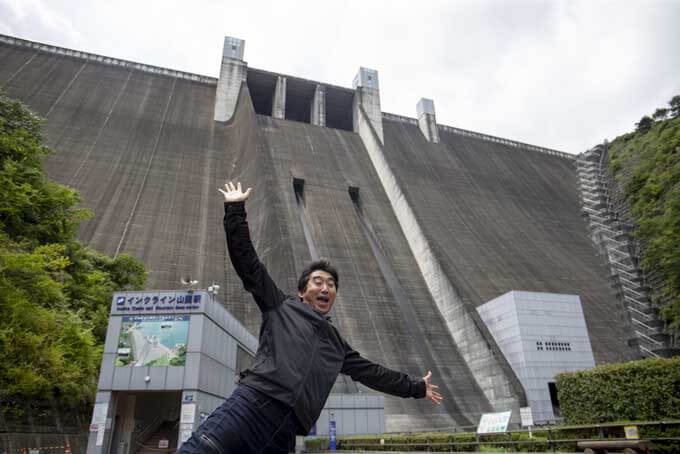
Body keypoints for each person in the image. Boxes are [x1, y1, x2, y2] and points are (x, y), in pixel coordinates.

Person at [178, 181, 443, 454]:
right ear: (302, 292)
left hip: (286, 432)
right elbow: (249, 265)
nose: (325, 288)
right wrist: (235, 210)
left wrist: (416, 387)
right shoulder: (281, 306)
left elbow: (373, 374)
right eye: (318, 282)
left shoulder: (337, 346)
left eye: (331, 284)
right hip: (252, 406)